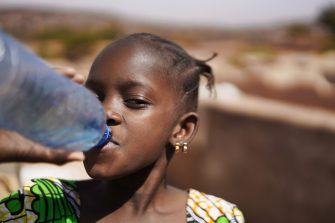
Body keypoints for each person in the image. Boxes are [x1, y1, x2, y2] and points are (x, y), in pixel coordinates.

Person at [0, 33, 244, 223]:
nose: (104, 112)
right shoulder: (39, 205)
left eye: (135, 101)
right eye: (94, 97)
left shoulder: (215, 217)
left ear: (182, 130)